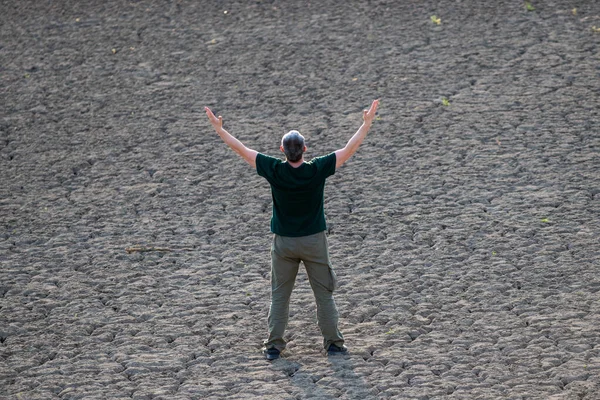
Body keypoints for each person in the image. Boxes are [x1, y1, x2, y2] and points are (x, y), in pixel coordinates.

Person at [205, 100, 379, 360]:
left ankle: (274, 346)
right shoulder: (317, 169)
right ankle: (333, 343)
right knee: (324, 295)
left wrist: (219, 129)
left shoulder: (274, 169)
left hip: (284, 244)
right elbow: (348, 149)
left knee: (279, 296)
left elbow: (241, 149)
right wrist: (365, 125)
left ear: (282, 151)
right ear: (304, 150)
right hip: (314, 242)